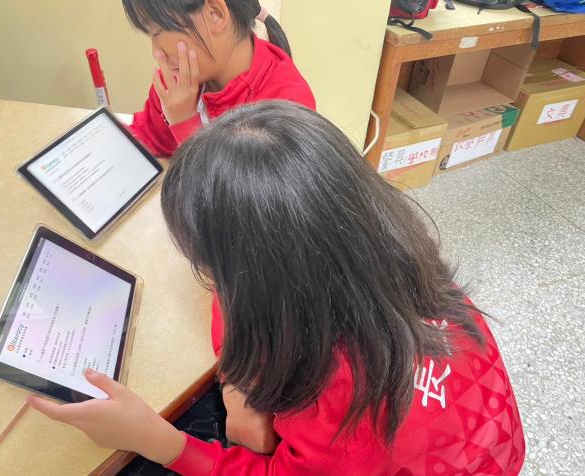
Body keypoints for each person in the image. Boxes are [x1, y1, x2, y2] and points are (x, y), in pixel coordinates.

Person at [28, 101, 526, 475]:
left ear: (258, 284)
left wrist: (156, 440)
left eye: (213, 270)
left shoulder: (341, 406)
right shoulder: (402, 267)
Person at [122, 0, 315, 157]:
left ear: (215, 14)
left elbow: (227, 190)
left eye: (157, 31)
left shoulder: (285, 109)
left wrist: (184, 124)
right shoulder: (177, 84)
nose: (156, 51)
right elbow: (145, 138)